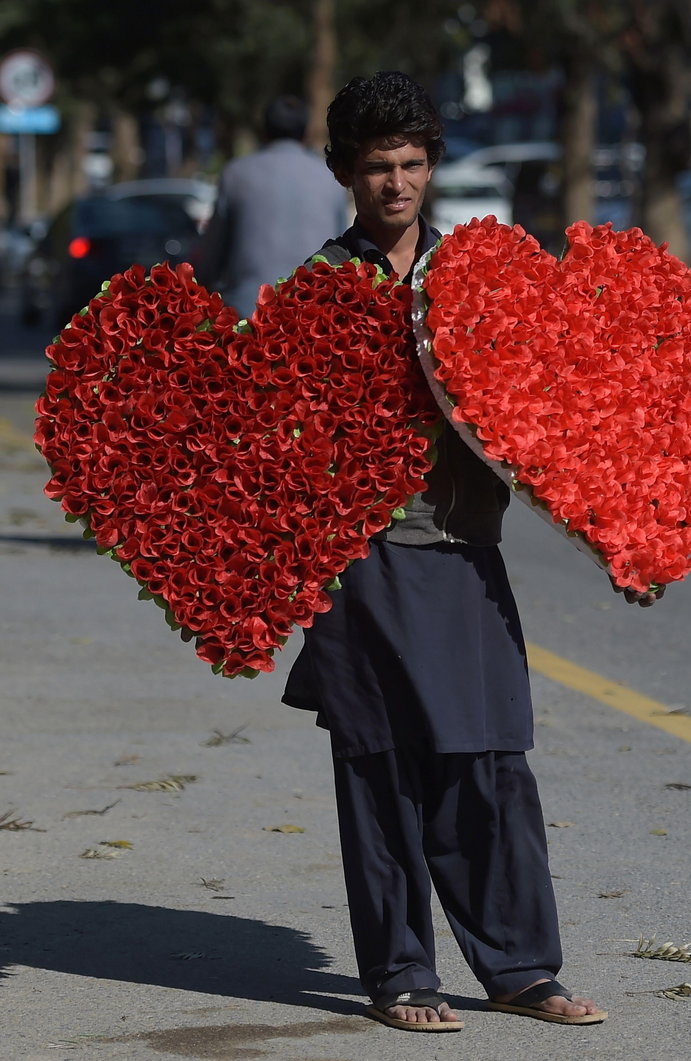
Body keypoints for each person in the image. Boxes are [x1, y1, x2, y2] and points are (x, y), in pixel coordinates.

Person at [282, 70, 663, 1033]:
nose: (397, 185)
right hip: (365, 560)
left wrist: (627, 530)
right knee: (383, 770)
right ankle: (401, 972)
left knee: (493, 766)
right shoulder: (320, 291)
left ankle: (521, 966)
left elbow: (563, 420)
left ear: (432, 167)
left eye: (412, 165)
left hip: (465, 555)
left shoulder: (479, 283)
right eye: (377, 168)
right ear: (344, 173)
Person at [195, 95, 348, 316]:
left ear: (264, 132)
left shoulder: (236, 174)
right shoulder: (330, 178)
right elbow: (344, 253)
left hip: (248, 315)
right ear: (305, 133)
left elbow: (212, 255)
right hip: (314, 319)